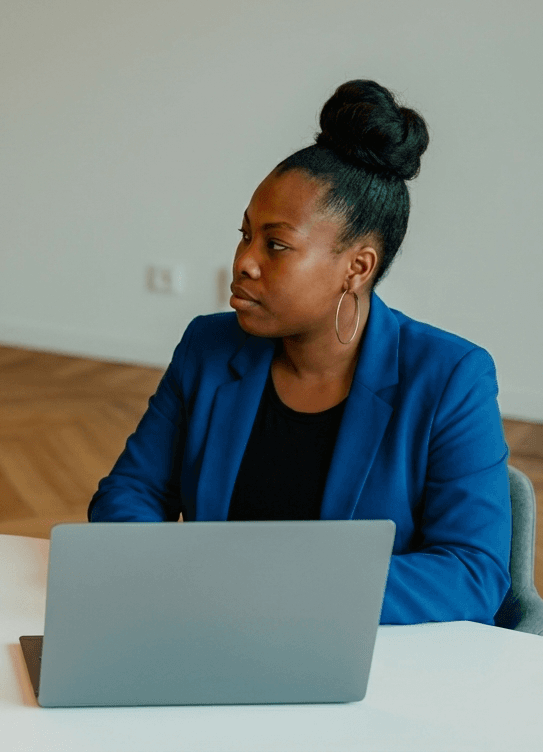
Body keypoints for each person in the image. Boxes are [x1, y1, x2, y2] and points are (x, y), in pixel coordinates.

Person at [88, 80, 511, 625]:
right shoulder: (208, 347)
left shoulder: (450, 377)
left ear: (357, 267)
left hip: (360, 668)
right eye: (245, 235)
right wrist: (182, 581)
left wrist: (280, 591)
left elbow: (472, 573)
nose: (244, 261)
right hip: (205, 633)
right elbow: (129, 494)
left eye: (276, 244)